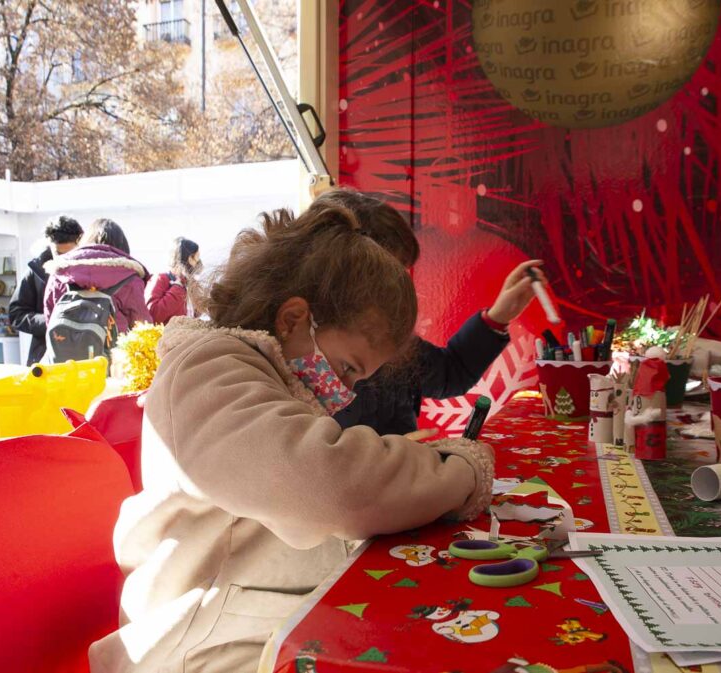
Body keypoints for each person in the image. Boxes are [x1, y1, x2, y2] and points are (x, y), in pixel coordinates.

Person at [88, 200, 493, 673]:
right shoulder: (206, 371)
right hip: (194, 648)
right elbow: (330, 485)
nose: (345, 391)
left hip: (247, 624)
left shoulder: (256, 372)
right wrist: (459, 472)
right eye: (347, 369)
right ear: (293, 319)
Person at [319, 189, 546, 436]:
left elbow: (451, 373)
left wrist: (499, 315)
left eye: (401, 277)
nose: (398, 294)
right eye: (385, 280)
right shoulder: (302, 359)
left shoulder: (393, 339)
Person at [43, 218, 152, 334]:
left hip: (66, 347)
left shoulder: (61, 273)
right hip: (115, 350)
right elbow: (142, 327)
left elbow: (51, 318)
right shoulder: (129, 277)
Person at [9, 215, 83, 364]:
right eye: (59, 253)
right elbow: (17, 314)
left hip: (83, 353)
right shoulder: (35, 270)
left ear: (79, 241)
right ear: (49, 244)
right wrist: (51, 321)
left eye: (70, 253)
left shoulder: (89, 268)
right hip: (45, 356)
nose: (65, 258)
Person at [145, 237, 201, 325]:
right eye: (196, 258)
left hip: (186, 336)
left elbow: (193, 315)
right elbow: (152, 315)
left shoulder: (189, 283)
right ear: (189, 259)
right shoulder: (160, 279)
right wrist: (177, 287)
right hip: (166, 337)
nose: (198, 263)